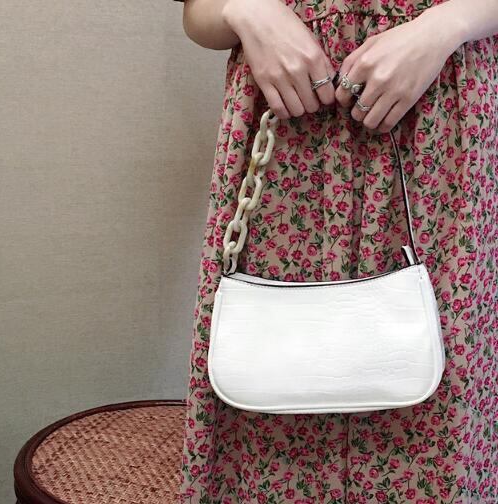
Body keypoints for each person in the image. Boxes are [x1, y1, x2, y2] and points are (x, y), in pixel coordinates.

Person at [173, 0, 497, 502]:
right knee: (270, 374)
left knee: (441, 378)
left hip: (435, 120)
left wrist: (446, 26)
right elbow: (199, 15)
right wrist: (247, 11)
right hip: (287, 122)